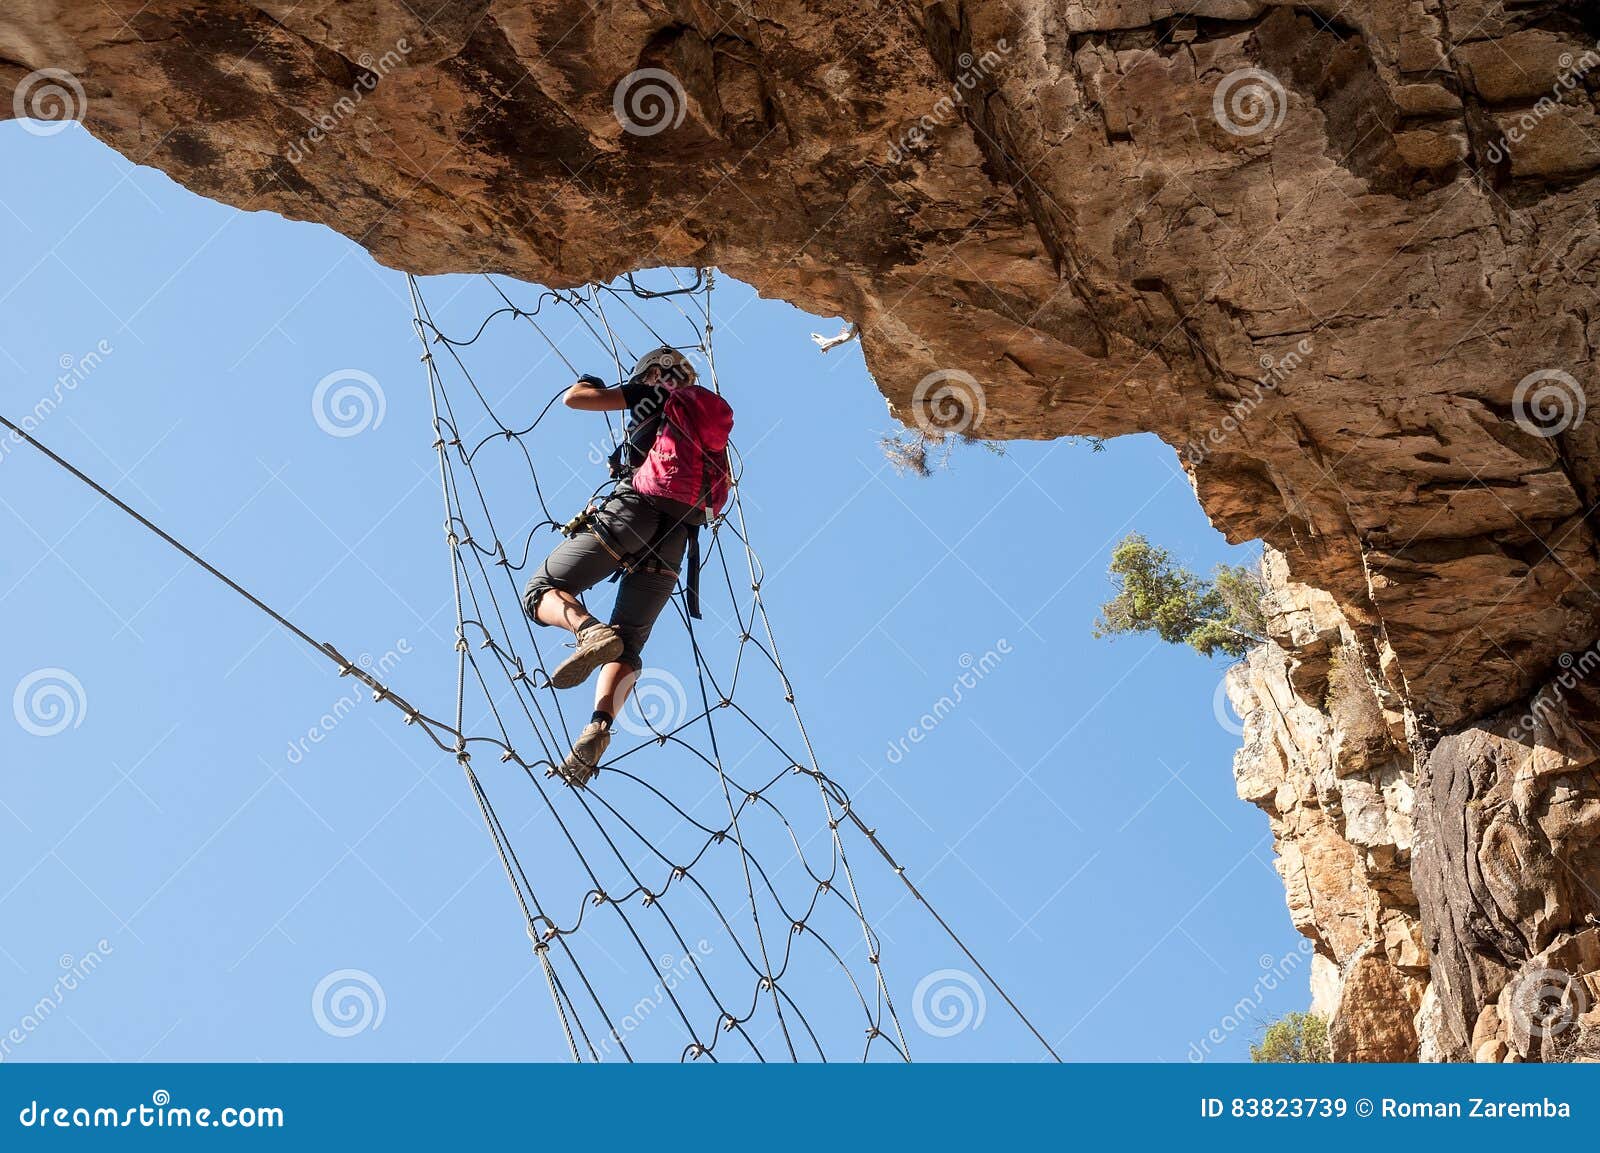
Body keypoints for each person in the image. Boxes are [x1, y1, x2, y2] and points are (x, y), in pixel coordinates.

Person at [523, 346, 733, 786]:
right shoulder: (706, 423)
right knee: (629, 645)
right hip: (679, 537)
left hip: (633, 510)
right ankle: (599, 726)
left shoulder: (650, 390)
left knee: (541, 589)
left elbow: (574, 400)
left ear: (656, 372)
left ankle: (586, 630)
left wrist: (592, 385)